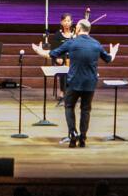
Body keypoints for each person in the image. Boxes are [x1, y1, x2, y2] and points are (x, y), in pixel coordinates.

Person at [32, 18, 118, 147]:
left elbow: (52, 54)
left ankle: (73, 133)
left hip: (74, 82)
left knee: (69, 107)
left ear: (78, 29)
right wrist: (114, 52)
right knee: (86, 110)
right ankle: (83, 137)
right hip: (90, 83)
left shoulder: (71, 43)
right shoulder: (96, 44)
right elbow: (109, 59)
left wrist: (39, 51)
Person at [46, 12, 74, 101]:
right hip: (60, 59)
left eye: (68, 21)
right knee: (63, 68)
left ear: (71, 22)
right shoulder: (58, 34)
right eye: (65, 21)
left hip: (73, 59)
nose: (66, 23)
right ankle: (62, 91)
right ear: (61, 22)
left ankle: (73, 92)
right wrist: (58, 58)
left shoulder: (75, 34)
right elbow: (55, 49)